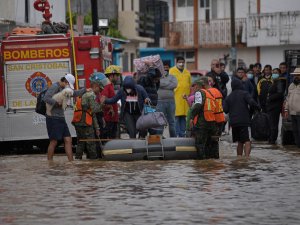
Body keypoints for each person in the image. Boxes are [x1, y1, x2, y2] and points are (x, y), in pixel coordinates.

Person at [44, 74, 88, 161]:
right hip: (53, 118)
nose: (69, 86)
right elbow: (46, 98)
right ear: (65, 81)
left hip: (61, 117)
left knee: (68, 139)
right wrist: (57, 103)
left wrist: (85, 90)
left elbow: (74, 93)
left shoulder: (65, 89)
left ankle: (71, 162)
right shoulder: (55, 87)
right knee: (54, 141)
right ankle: (50, 163)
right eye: (68, 84)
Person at [72, 73, 110, 159]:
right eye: (100, 89)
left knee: (80, 142)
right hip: (85, 122)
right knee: (91, 142)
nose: (100, 91)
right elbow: (94, 110)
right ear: (96, 85)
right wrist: (101, 103)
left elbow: (91, 113)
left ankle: (78, 159)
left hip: (78, 121)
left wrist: (97, 128)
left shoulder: (85, 92)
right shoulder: (91, 95)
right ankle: (93, 161)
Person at [223, 79, 259, 157]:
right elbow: (252, 102)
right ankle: (246, 159)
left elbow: (225, 110)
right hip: (244, 121)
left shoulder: (229, 97)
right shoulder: (245, 94)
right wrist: (258, 108)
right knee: (247, 141)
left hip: (233, 123)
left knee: (240, 141)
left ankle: (239, 158)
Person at [189, 76, 219, 159]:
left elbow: (198, 105)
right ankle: (211, 164)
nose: (194, 87)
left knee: (200, 144)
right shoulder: (210, 93)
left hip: (203, 123)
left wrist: (191, 117)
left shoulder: (199, 92)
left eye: (195, 85)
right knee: (210, 145)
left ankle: (201, 164)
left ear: (200, 85)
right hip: (212, 122)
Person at [169, 56, 192, 137]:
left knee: (183, 117)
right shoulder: (171, 71)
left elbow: (190, 85)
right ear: (176, 62)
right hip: (175, 98)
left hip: (185, 99)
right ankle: (176, 135)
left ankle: (182, 134)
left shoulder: (187, 72)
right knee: (176, 118)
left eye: (183, 62)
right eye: (180, 62)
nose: (181, 64)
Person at [100, 65, 122, 139]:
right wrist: (110, 107)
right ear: (111, 76)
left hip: (112, 118)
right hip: (108, 118)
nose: (118, 77)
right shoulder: (107, 86)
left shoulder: (111, 85)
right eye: (116, 75)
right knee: (108, 138)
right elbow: (102, 100)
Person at [266, 68, 287, 144]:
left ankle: (272, 139)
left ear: (279, 74)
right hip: (271, 106)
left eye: (276, 72)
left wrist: (270, 98)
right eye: (273, 72)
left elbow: (280, 93)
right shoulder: (274, 82)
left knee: (274, 124)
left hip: (275, 107)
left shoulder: (280, 82)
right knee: (271, 123)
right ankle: (271, 138)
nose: (274, 74)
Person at [157, 62, 178, 137]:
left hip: (171, 102)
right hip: (160, 102)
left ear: (169, 68)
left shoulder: (173, 77)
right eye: (164, 67)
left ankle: (173, 137)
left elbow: (175, 85)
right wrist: (168, 84)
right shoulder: (158, 77)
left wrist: (163, 84)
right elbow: (158, 83)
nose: (165, 69)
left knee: (172, 121)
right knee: (160, 121)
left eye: (167, 67)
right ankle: (159, 137)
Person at [284, 68, 300, 148]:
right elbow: (288, 98)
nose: (296, 76)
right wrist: (286, 109)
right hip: (292, 113)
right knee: (295, 131)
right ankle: (298, 147)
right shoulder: (291, 85)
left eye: (298, 75)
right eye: (295, 75)